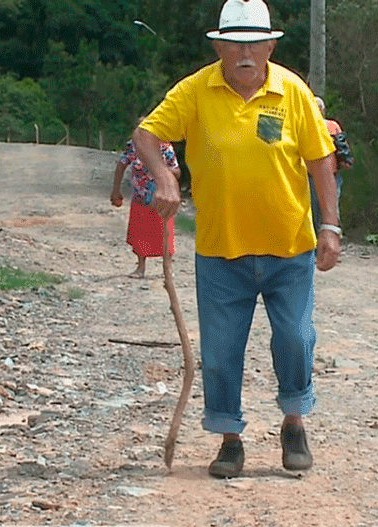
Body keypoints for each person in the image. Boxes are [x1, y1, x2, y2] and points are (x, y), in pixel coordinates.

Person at [132, 0, 340, 478]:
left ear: (270, 45)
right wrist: (164, 177)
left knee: (295, 338)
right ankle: (230, 439)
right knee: (222, 353)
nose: (245, 53)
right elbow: (146, 134)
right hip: (221, 249)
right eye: (235, 43)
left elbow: (319, 160)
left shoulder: (293, 92)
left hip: (289, 245)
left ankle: (294, 423)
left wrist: (330, 225)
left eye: (255, 43)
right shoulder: (196, 91)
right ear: (220, 46)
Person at [110, 125, 181, 278]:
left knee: (164, 232)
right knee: (140, 232)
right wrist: (116, 190)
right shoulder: (133, 146)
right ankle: (140, 268)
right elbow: (121, 166)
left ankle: (167, 268)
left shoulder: (164, 146)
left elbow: (177, 171)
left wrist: (162, 169)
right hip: (140, 198)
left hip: (162, 197)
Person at [310, 96, 348, 232]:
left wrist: (345, 160)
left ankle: (330, 234)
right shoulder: (304, 124)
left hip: (331, 173)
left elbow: (342, 146)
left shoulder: (332, 126)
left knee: (328, 207)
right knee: (315, 208)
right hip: (309, 174)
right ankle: (317, 240)